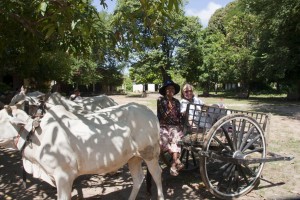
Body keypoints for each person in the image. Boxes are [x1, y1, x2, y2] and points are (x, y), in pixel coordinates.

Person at [157, 80, 184, 176]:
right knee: (163, 140)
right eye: (168, 88)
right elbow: (164, 116)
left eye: (172, 88)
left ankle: (173, 166)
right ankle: (177, 160)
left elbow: (178, 116)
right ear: (165, 90)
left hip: (174, 126)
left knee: (175, 139)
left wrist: (180, 123)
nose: (170, 90)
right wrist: (170, 108)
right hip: (163, 125)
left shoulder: (177, 102)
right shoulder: (161, 100)